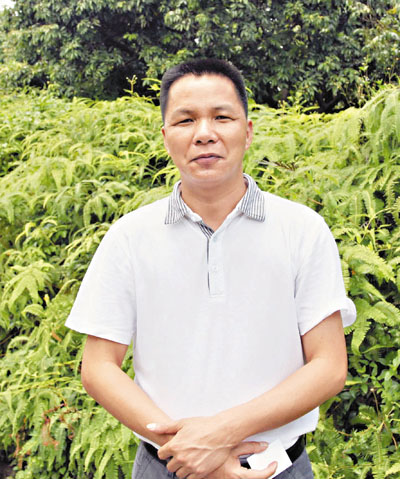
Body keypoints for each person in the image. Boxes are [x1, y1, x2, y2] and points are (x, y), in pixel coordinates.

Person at [65, 58, 356, 479]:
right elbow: (98, 367)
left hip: (277, 468)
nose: (204, 133)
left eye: (222, 117)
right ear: (166, 137)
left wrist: (221, 434)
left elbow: (328, 365)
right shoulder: (130, 237)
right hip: (166, 466)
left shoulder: (302, 230)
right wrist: (186, 451)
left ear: (248, 131)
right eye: (185, 120)